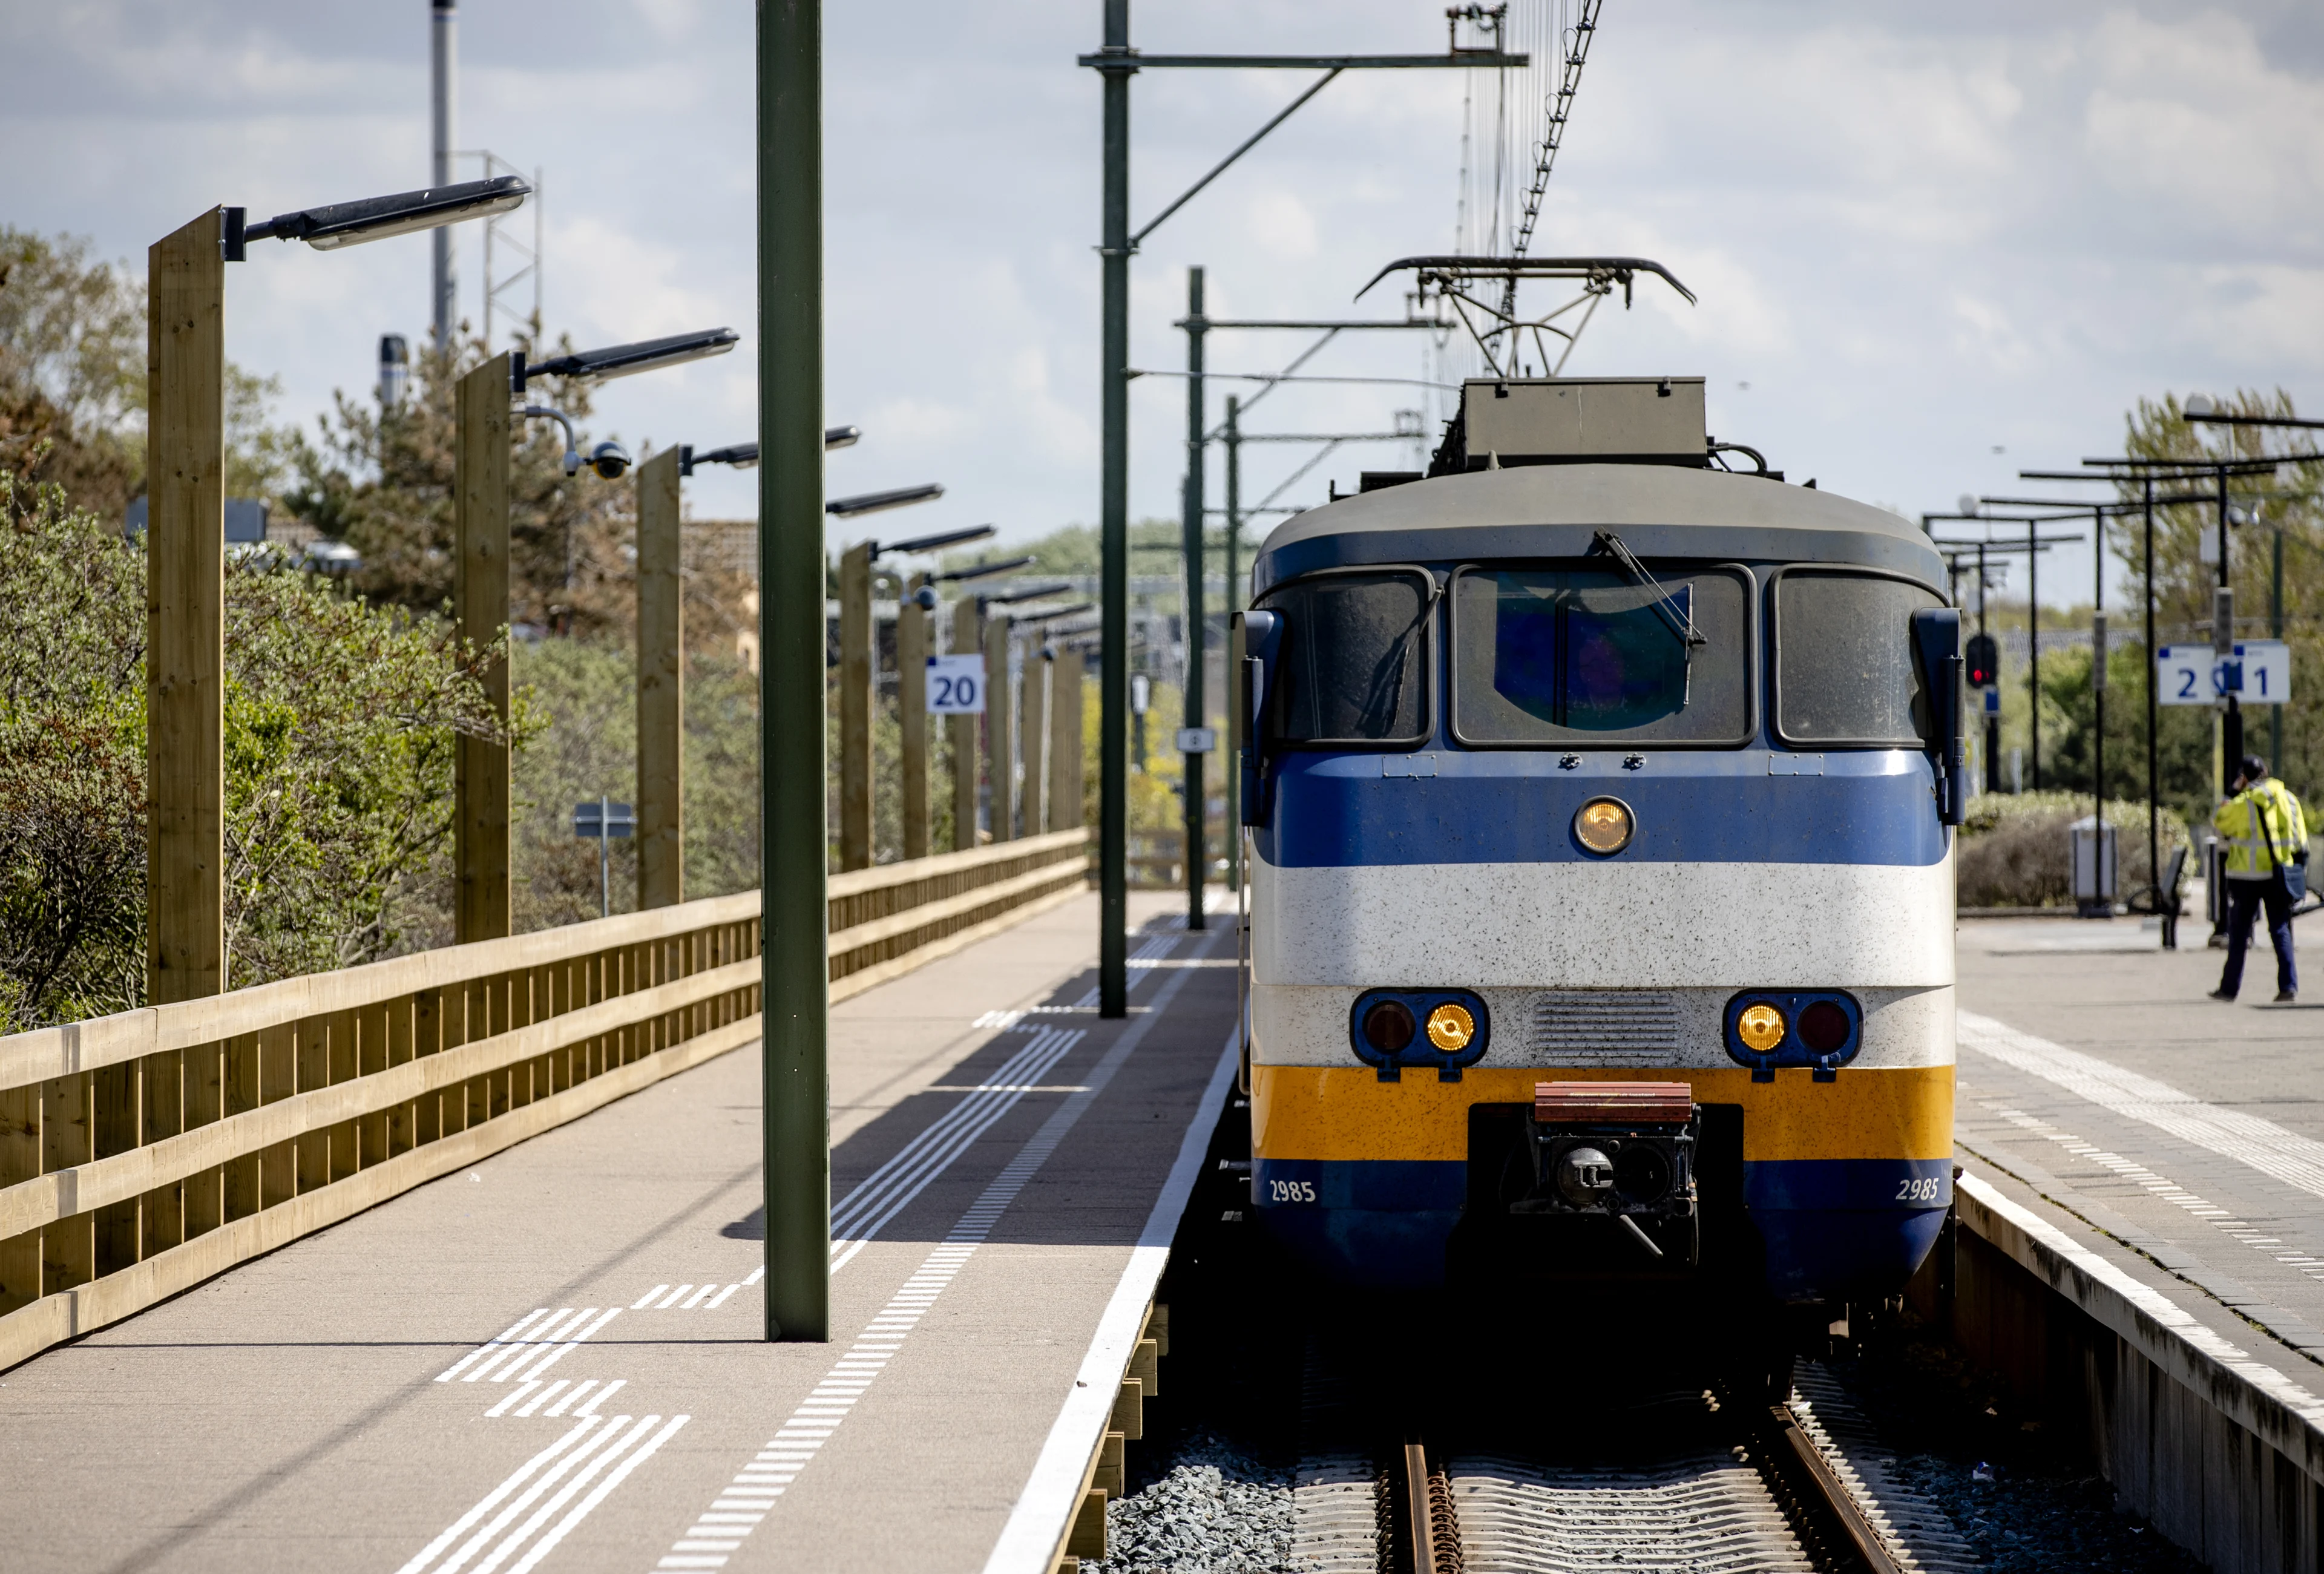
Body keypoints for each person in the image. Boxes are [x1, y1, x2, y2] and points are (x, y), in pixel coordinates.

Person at [2210, 753, 2308, 1003]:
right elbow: (2300, 840)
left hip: (2247, 877)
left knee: (2240, 933)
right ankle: (2289, 986)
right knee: (2280, 928)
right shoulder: (2288, 798)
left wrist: (2232, 793)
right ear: (2266, 770)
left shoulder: (2243, 803)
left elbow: (2219, 824)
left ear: (2244, 778)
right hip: (2279, 873)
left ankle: (2229, 989)